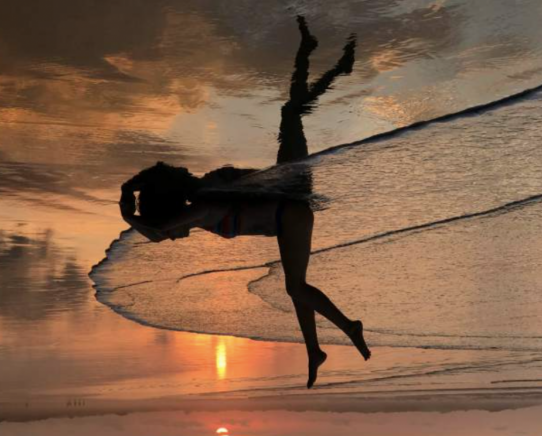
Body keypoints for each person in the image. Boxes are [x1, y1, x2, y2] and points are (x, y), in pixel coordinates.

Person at [119, 16, 368, 389]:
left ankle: (348, 325)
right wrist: (130, 188)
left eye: (174, 231)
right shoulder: (203, 194)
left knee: (297, 287)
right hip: (288, 201)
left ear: (174, 212)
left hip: (292, 203)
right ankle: (314, 350)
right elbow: (160, 187)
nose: (174, 238)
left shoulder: (203, 207)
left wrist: (127, 213)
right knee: (291, 113)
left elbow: (155, 232)